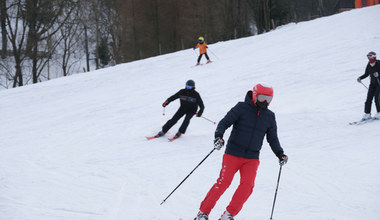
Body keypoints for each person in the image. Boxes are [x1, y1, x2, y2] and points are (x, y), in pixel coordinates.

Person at [194, 83, 288, 220]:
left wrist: (280, 153)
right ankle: (203, 213)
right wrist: (218, 137)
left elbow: (272, 138)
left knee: (248, 186)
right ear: (255, 95)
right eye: (262, 97)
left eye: (268, 99)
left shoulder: (269, 116)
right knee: (223, 183)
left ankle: (228, 215)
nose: (265, 102)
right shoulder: (241, 108)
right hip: (233, 153)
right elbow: (224, 122)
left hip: (252, 158)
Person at [357, 51, 380, 120]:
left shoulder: (379, 64)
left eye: (370, 56)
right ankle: (367, 113)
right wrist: (360, 78)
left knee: (377, 99)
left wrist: (378, 74)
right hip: (372, 84)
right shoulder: (369, 64)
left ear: (374, 57)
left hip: (379, 84)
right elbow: (366, 74)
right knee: (368, 99)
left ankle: (379, 112)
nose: (369, 58)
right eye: (368, 56)